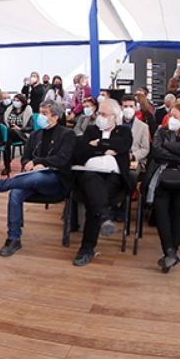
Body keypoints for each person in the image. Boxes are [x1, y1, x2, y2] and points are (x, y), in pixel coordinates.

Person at [0, 100, 75, 257]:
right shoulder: (35, 135)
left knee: (38, 178)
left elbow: (63, 159)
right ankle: (13, 238)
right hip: (31, 178)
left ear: (55, 117)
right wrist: (28, 164)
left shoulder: (67, 134)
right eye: (40, 112)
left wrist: (40, 162)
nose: (39, 116)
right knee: (15, 193)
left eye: (44, 113)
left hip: (56, 180)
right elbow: (25, 158)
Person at [71, 99, 133, 266]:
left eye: (104, 115)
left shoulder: (123, 132)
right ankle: (104, 217)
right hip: (89, 176)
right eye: (99, 114)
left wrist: (98, 144)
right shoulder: (91, 130)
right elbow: (80, 150)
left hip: (114, 179)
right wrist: (107, 149)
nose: (100, 117)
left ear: (114, 117)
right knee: (92, 186)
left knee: (94, 200)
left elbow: (123, 146)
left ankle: (86, 249)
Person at [144, 102, 180, 273]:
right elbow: (156, 151)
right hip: (164, 177)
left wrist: (169, 147)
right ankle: (169, 251)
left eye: (175, 117)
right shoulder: (162, 131)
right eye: (170, 116)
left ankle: (172, 251)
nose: (171, 119)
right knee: (160, 210)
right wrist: (179, 155)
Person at [1, 93, 33, 175]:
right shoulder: (10, 110)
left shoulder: (27, 111)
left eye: (18, 100)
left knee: (9, 134)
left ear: (22, 102)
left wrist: (20, 129)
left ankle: (7, 167)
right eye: (14, 100)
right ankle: (7, 166)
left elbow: (31, 127)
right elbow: (4, 123)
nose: (15, 102)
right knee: (7, 139)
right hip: (11, 134)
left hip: (23, 133)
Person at [120, 94, 151, 169]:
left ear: (135, 107)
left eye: (131, 106)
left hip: (134, 159)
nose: (128, 109)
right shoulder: (115, 123)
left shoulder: (143, 127)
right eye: (125, 106)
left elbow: (145, 148)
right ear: (121, 107)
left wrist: (133, 156)